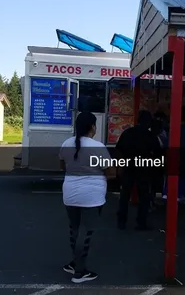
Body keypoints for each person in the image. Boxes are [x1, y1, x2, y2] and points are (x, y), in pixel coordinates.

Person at [59, 112, 113, 283]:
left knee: (74, 229)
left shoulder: (67, 143)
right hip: (92, 196)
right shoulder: (97, 146)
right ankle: (79, 272)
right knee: (86, 232)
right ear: (92, 127)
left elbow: (63, 166)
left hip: (69, 193)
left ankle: (74, 263)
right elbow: (110, 172)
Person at [116, 110, 161, 230]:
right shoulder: (151, 136)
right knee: (144, 197)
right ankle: (141, 222)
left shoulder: (128, 133)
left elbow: (119, 150)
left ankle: (121, 221)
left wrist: (120, 165)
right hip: (144, 168)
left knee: (125, 195)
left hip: (128, 166)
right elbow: (157, 153)